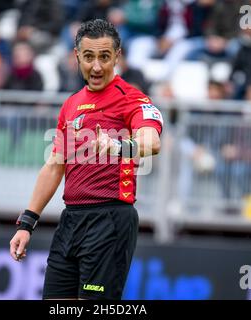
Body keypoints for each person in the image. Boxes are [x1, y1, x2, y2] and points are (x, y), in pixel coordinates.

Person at [9, 19, 163, 300]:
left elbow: (151, 143)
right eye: (89, 57)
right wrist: (27, 223)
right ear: (76, 56)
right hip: (71, 221)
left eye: (104, 57)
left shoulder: (132, 99)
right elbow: (55, 165)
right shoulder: (71, 104)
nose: (96, 66)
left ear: (117, 56)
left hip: (111, 220)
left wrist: (117, 146)